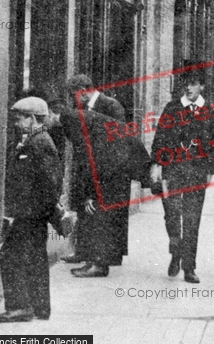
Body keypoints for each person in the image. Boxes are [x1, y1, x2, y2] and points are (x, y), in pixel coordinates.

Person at [59, 107, 151, 278]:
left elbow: (90, 160)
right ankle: (99, 260)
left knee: (100, 212)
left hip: (114, 168)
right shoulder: (86, 119)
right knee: (105, 213)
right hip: (119, 165)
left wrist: (90, 195)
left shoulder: (72, 121)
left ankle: (98, 265)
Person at [0, 97, 62, 323]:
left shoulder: (39, 141)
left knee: (11, 256)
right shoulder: (36, 139)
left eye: (19, 118)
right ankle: (39, 308)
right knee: (34, 259)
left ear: (32, 119)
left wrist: (39, 211)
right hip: (32, 213)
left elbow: (50, 182)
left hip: (30, 215)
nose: (16, 123)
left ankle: (20, 307)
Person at [150, 70, 214, 284]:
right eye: (186, 84)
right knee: (171, 214)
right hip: (173, 170)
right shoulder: (172, 108)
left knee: (192, 219)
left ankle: (189, 267)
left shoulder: (208, 110)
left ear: (202, 86)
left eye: (193, 84)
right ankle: (175, 252)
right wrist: (156, 164)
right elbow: (160, 137)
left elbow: (212, 144)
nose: (188, 88)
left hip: (197, 172)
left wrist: (210, 169)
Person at [62, 74, 127, 268]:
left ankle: (103, 258)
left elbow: (116, 141)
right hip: (86, 166)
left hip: (106, 168)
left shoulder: (112, 106)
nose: (74, 99)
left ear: (84, 90)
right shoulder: (81, 107)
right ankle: (83, 251)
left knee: (100, 212)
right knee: (85, 208)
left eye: (75, 94)